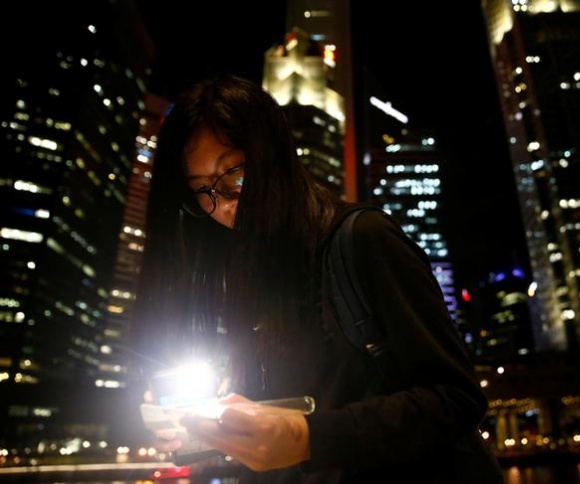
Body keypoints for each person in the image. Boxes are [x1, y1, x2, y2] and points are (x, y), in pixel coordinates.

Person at [131, 73, 501, 482]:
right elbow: (278, 420)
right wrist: (210, 424)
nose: (223, 206)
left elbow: (456, 397)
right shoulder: (246, 281)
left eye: (233, 173)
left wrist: (309, 437)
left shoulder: (362, 239)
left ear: (274, 157)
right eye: (203, 191)